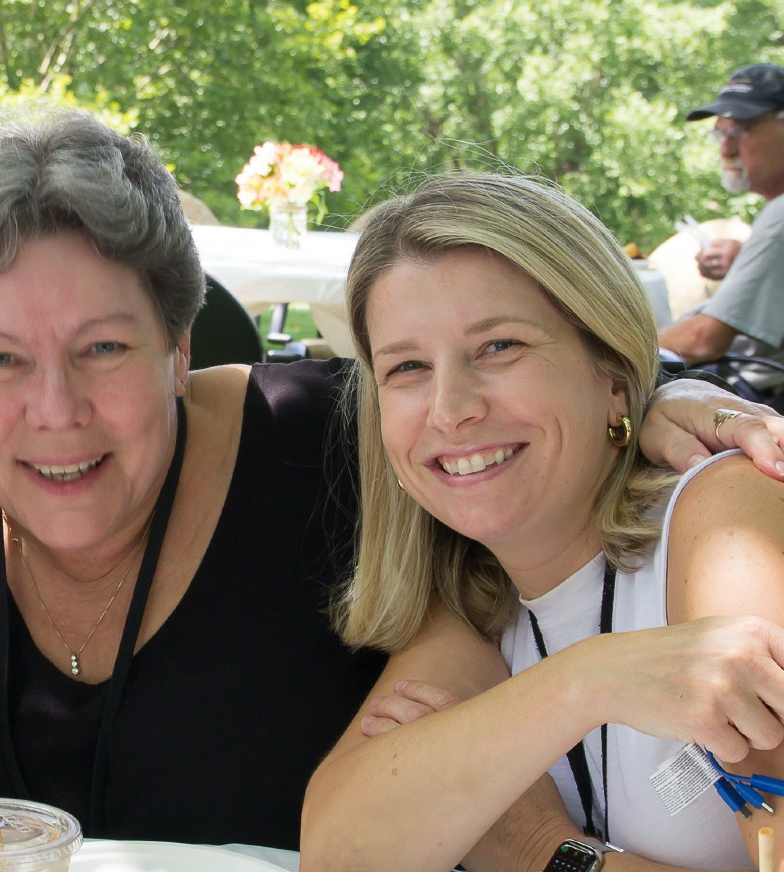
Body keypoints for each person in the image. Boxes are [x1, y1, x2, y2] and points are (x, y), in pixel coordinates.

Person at [0, 109, 784, 852]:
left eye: (105, 347)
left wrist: (659, 402)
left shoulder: (323, 453)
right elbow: (351, 841)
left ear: (179, 349)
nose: (57, 409)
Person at [301, 172, 784, 871]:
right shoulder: (478, 598)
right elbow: (340, 854)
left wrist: (536, 849)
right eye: (406, 366)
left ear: (611, 371)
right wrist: (586, 682)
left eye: (499, 347)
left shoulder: (725, 522)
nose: (450, 408)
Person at [660, 63, 784, 371]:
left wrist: (608, 347)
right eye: (719, 134)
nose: (725, 150)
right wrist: (745, 259)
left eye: (738, 131)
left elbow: (704, 341)